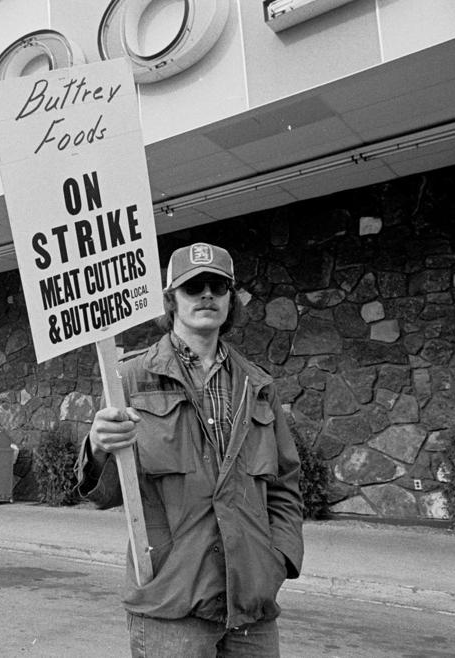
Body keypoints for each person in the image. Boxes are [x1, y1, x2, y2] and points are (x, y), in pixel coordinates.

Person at [75, 242, 304, 657]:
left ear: (230, 299)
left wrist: (279, 559)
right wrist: (97, 447)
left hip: (251, 604)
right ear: (171, 300)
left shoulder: (258, 385)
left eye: (218, 286)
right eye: (192, 285)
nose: (206, 295)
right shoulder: (129, 378)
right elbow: (109, 495)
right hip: (171, 601)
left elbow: (286, 484)